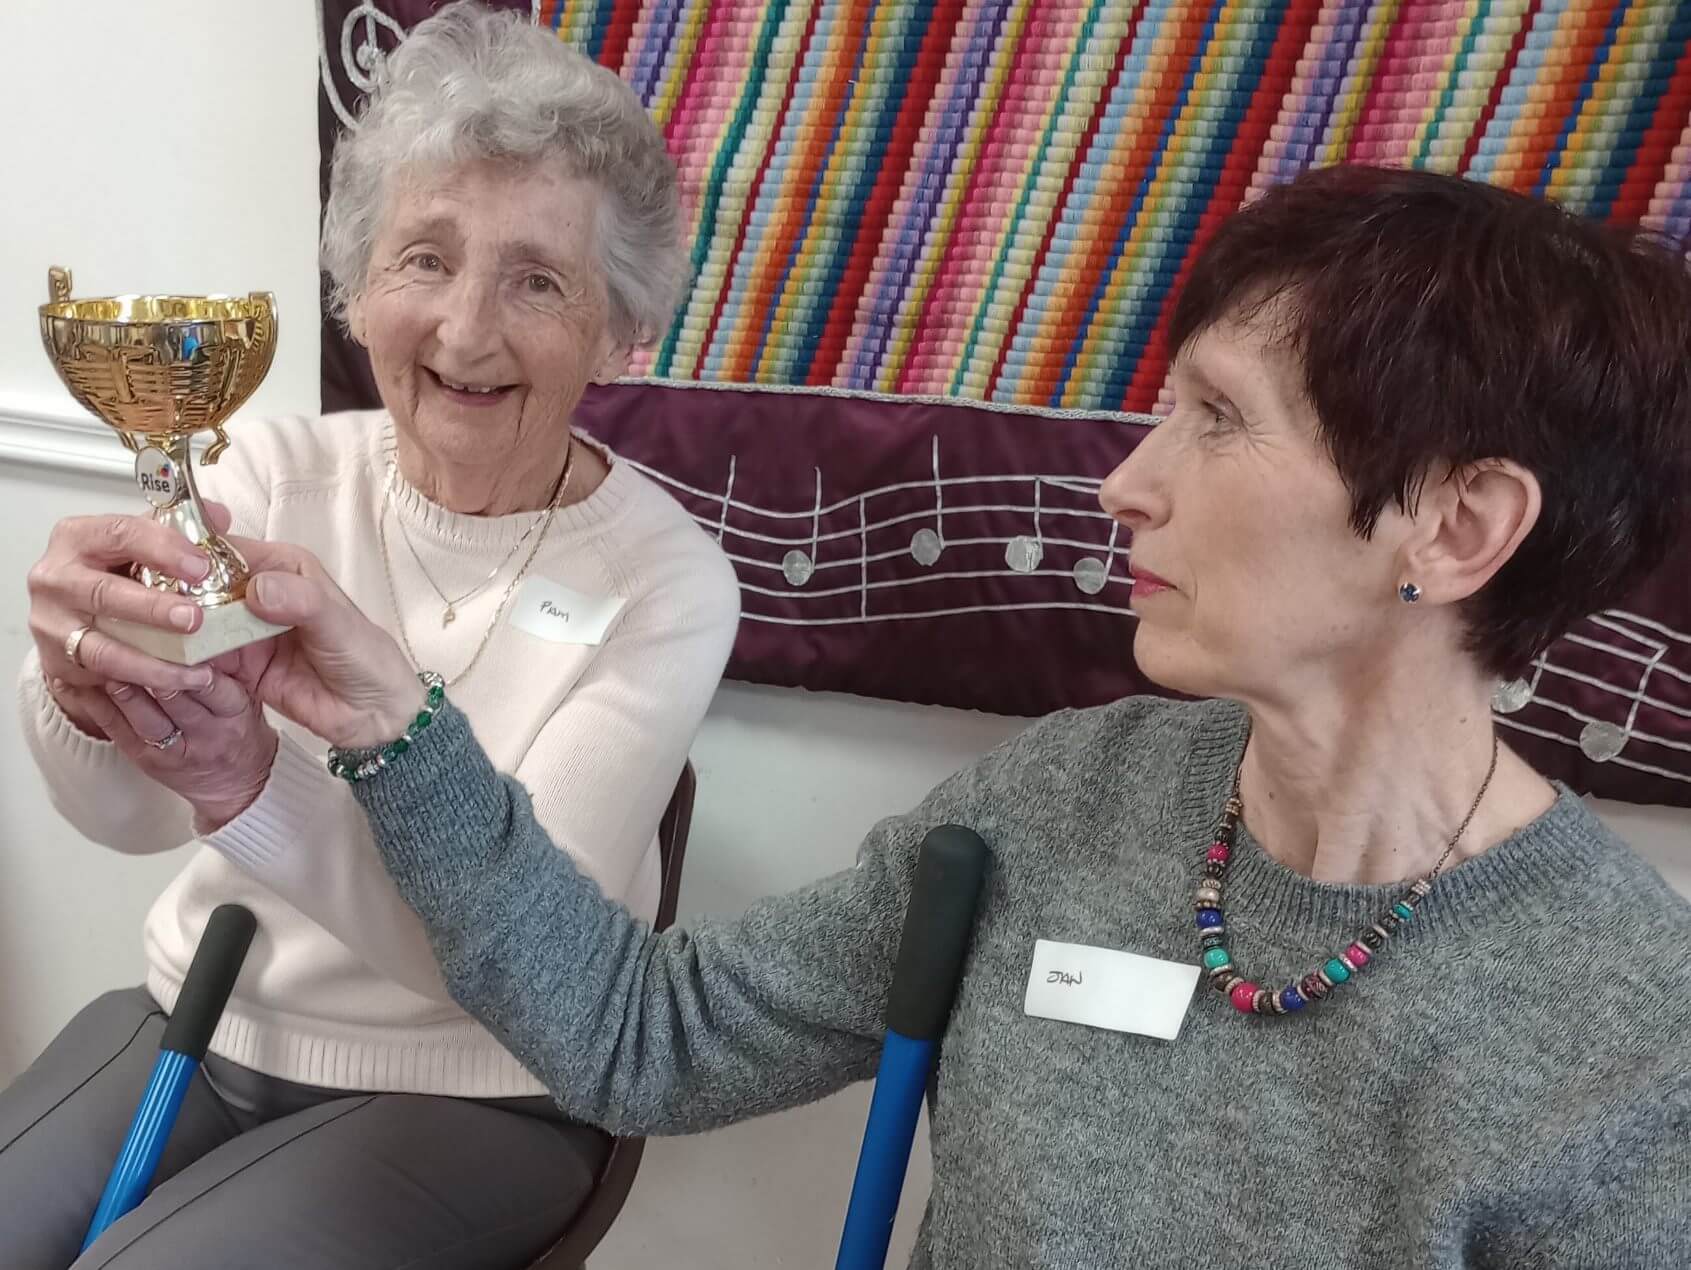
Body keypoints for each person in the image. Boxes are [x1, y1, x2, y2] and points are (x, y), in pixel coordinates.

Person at [231, 163, 1691, 1267]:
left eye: (1218, 418)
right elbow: (644, 1037)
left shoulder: (1626, 1029)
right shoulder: (1064, 803)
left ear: (1453, 524)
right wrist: (391, 727)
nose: (1128, 480)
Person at [1, 5, 738, 1267]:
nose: (463, 331)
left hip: (483, 1080)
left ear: (621, 325)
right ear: (356, 286)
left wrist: (251, 784)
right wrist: (81, 690)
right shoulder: (266, 471)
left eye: (537, 279)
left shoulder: (667, 579)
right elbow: (124, 819)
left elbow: (514, 967)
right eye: (425, 260)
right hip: (208, 1005)